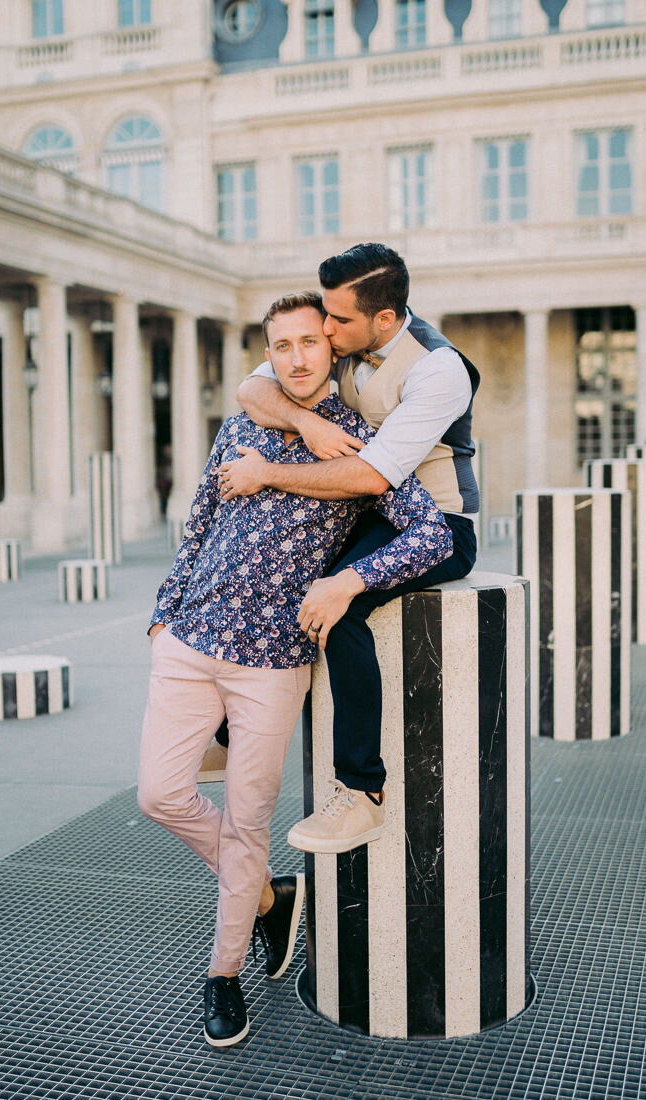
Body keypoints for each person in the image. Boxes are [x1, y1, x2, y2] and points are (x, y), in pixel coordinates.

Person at [137, 291, 452, 1049]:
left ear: (332, 349)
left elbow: (432, 534)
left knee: (246, 824)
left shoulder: (359, 442)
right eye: (282, 346)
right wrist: (162, 611)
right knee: (159, 795)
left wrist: (349, 580)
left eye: (311, 342)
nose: (298, 358)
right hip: (185, 643)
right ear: (269, 355)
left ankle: (223, 973)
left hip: (271, 664)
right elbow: (200, 520)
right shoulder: (246, 419)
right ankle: (273, 900)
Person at [217, 243, 479, 855]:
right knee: (276, 569)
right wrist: (305, 422)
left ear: (384, 319)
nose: (325, 331)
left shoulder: (439, 370)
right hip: (361, 516)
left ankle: (363, 791)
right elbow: (251, 390)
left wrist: (269, 474)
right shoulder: (347, 337)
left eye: (337, 321)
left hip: (433, 523)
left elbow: (372, 476)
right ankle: (229, 734)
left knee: (341, 602)